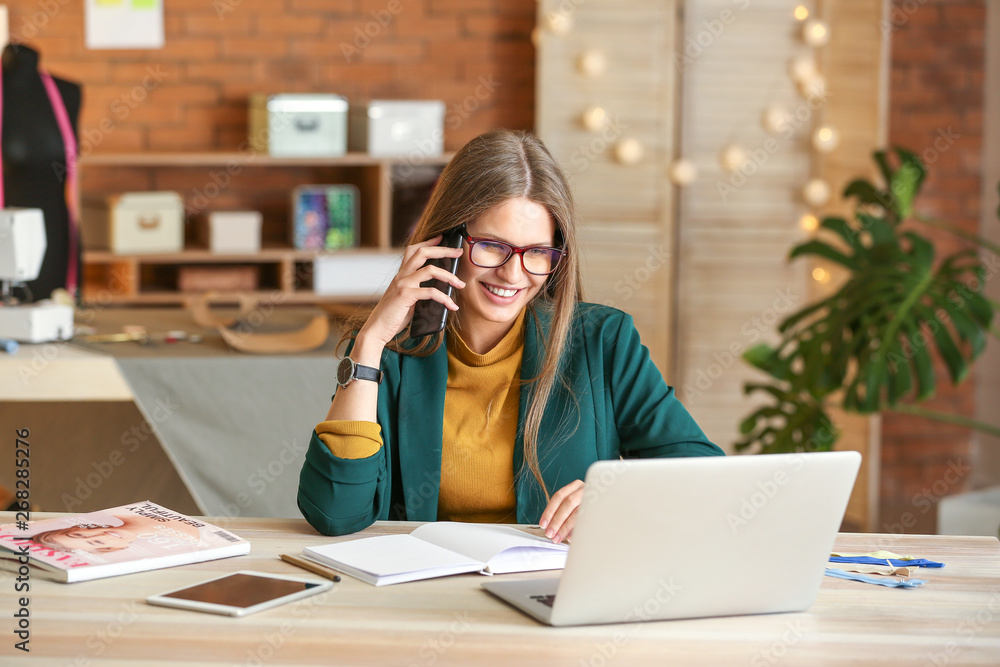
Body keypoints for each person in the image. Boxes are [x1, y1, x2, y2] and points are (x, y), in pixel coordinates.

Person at [298, 129, 723, 542]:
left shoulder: (603, 341)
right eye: (492, 246)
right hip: (425, 592)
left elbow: (705, 475)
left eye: (537, 252)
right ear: (445, 241)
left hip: (548, 590)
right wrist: (370, 342)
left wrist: (619, 493)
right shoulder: (392, 352)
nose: (513, 273)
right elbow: (337, 514)